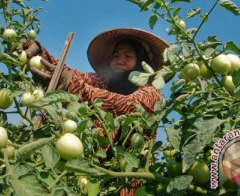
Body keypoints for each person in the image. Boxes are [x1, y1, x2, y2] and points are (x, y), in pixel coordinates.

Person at [24, 27, 170, 195]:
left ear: (142, 62)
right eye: (116, 56)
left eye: (128, 56)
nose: (120, 60)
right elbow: (73, 75)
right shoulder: (104, 82)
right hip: (99, 175)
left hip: (131, 183)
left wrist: (73, 86)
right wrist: (37, 52)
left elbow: (126, 105)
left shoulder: (151, 93)